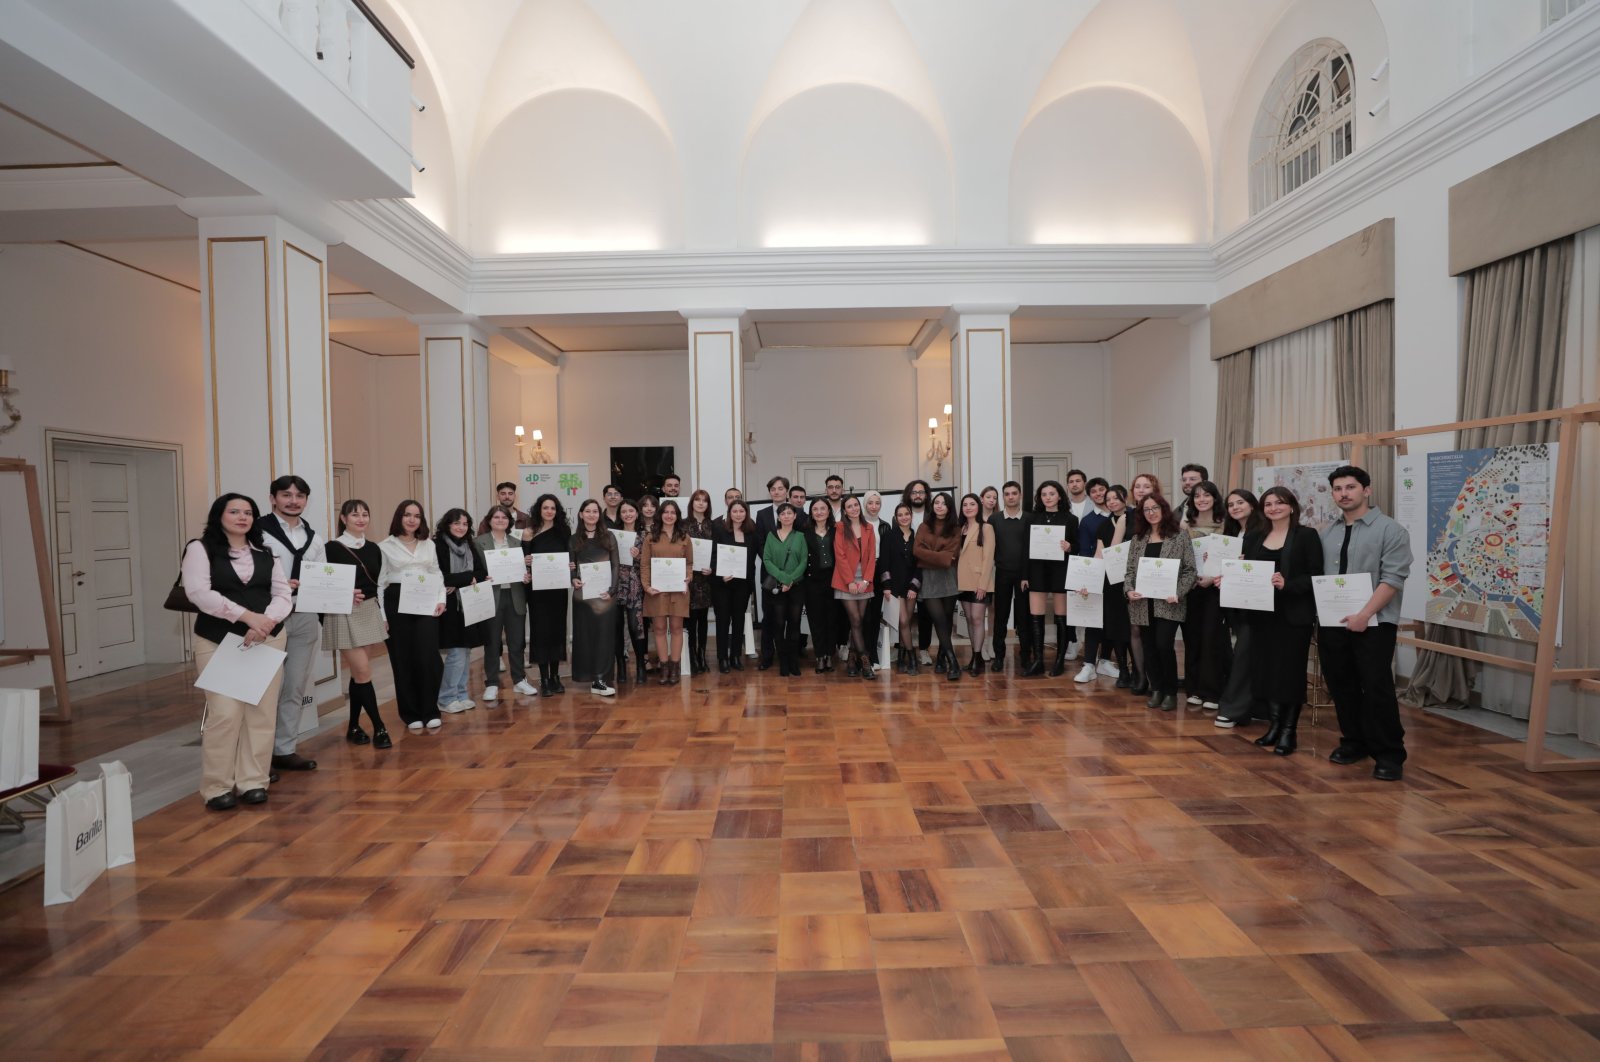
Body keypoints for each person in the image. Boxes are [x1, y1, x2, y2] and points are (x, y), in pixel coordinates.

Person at [183, 493, 291, 809]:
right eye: (234, 511)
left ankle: (253, 782)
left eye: (248, 512)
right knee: (224, 715)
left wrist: (266, 622)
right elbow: (199, 593)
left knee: (261, 714)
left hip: (267, 640)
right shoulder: (199, 549)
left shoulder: (266, 553)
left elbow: (283, 594)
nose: (242, 517)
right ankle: (217, 787)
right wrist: (247, 617)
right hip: (218, 642)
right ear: (220, 515)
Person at [1318, 465, 1413, 781]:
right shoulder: (1327, 532)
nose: (1344, 494)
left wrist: (1364, 615)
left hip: (1374, 624)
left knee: (1376, 688)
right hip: (1332, 622)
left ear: (1366, 490)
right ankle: (1353, 742)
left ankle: (1388, 754)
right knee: (1341, 685)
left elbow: (1393, 579)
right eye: (1338, 489)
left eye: (1350, 487)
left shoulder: (1390, 530)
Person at [1236, 486, 1323, 754]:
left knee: (1291, 674)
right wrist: (1235, 571)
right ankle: (1274, 726)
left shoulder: (1307, 536)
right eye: (1269, 504)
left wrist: (1288, 584)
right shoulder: (1253, 537)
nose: (1273, 508)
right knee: (1267, 672)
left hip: (1293, 617)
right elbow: (1245, 572)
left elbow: (1315, 576)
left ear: (1292, 506)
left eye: (1280, 503)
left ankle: (1289, 731)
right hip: (1261, 615)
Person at [256, 475, 326, 777]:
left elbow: (323, 577)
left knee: (295, 685)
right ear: (273, 498)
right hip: (268, 617)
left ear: (306, 501)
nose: (293, 500)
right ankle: (257, 757)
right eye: (286, 495)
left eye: (299, 496)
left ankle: (284, 749)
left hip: (305, 616)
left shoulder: (314, 538)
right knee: (262, 688)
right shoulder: (257, 532)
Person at [324, 499, 391, 749]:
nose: (361, 519)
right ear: (343, 519)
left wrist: (383, 616)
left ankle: (353, 726)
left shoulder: (374, 548)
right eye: (354, 515)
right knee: (364, 672)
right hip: (343, 614)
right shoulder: (330, 548)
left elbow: (381, 585)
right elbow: (322, 584)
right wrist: (343, 593)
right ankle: (380, 727)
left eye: (365, 514)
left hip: (370, 611)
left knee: (358, 674)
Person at [1125, 493, 1197, 711]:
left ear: (1163, 509)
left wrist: (1179, 592)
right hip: (1142, 602)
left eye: (1155, 508)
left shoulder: (1179, 536)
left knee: (1164, 645)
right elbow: (1129, 572)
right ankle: (1156, 688)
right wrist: (1129, 590)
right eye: (1146, 509)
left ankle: (1170, 692)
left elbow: (1190, 570)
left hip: (1169, 601)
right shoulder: (1138, 539)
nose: (1151, 513)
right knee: (1149, 647)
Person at [379, 499, 446, 733]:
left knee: (428, 658)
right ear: (399, 517)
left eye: (416, 516)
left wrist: (441, 599)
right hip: (396, 602)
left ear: (421, 520)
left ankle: (430, 710)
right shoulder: (385, 545)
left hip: (426, 600)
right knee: (403, 658)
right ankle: (410, 713)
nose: (411, 520)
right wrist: (382, 615)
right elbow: (380, 583)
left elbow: (436, 572)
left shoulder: (428, 544)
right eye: (407, 515)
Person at [1213, 489, 1269, 729]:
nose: (1235, 507)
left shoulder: (1263, 531)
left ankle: (1232, 708)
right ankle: (1256, 708)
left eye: (1240, 502)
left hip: (1257, 602)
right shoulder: (1232, 532)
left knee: (1244, 655)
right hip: (1236, 601)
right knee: (1249, 655)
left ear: (1252, 504)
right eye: (1231, 504)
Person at [475, 504, 535, 702]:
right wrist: (483, 577)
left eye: (504, 518)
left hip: (515, 595)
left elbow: (523, 570)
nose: (500, 520)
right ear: (489, 520)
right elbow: (475, 571)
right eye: (497, 517)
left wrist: (526, 577)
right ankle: (492, 683)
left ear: (509, 522)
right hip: (492, 597)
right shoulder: (479, 543)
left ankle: (519, 680)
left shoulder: (516, 542)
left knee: (516, 642)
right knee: (492, 642)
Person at [1182, 480, 1232, 710]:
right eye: (1197, 496)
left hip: (1216, 587)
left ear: (1215, 498)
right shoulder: (1185, 525)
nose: (1201, 500)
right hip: (1191, 588)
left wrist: (1213, 578)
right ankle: (1193, 688)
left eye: (1206, 495)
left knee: (1212, 638)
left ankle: (1212, 691)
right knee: (1192, 638)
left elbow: (1233, 555)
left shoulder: (1226, 523)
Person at [434, 508, 488, 714]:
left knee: (466, 651)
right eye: (457, 523)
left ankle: (461, 693)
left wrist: (462, 580)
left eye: (465, 524)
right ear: (447, 524)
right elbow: (440, 577)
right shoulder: (437, 545)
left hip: (468, 605)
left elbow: (482, 572)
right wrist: (467, 578)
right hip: (448, 606)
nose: (461, 527)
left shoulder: (469, 545)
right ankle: (446, 698)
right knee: (456, 652)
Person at [1076, 485, 1132, 685]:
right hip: (1108, 580)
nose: (1111, 502)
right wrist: (1088, 579)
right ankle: (1092, 665)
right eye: (1109, 499)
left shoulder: (1136, 519)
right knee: (1099, 620)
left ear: (1125, 498)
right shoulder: (1104, 525)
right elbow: (1099, 555)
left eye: (1116, 498)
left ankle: (1125, 668)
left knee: (1122, 625)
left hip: (1131, 581)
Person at [1023, 480, 1078, 676]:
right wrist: (1024, 575)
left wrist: (1069, 547)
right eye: (1044, 494)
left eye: (1051, 493)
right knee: (1036, 616)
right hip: (1037, 570)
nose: (1047, 497)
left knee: (1061, 616)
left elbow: (1077, 547)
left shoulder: (1070, 519)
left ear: (1060, 496)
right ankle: (1038, 661)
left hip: (1060, 570)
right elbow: (1025, 549)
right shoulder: (1032, 518)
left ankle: (1059, 661)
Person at [570, 498, 621, 696]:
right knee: (586, 637)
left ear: (599, 515)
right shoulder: (574, 539)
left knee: (604, 637)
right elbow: (571, 566)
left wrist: (612, 589)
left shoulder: (609, 537)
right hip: (583, 597)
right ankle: (590, 678)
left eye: (595, 511)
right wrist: (573, 579)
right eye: (588, 511)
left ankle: (601, 678)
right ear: (581, 514)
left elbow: (616, 565)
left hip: (605, 596)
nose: (592, 514)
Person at [524, 494, 572, 695]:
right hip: (537, 592)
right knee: (541, 632)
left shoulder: (564, 531)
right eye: (546, 508)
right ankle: (544, 679)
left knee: (557, 631)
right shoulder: (528, 532)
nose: (549, 511)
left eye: (553, 508)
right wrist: (525, 562)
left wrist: (571, 565)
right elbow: (523, 561)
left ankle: (555, 676)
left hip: (558, 590)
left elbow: (570, 556)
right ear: (539, 510)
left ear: (557, 511)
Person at [643, 498, 693, 684]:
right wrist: (647, 586)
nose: (669, 515)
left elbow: (689, 563)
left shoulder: (684, 538)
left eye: (673, 512)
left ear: (677, 516)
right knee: (659, 628)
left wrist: (688, 577)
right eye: (666, 512)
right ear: (660, 514)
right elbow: (645, 565)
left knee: (677, 628)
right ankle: (663, 668)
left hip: (678, 590)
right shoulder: (651, 537)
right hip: (656, 591)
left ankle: (674, 668)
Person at [914, 492, 962, 681]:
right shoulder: (924, 526)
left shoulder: (956, 528)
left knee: (947, 619)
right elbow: (917, 551)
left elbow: (953, 555)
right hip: (929, 580)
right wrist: (941, 557)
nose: (939, 506)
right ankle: (953, 661)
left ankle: (941, 658)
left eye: (943, 503)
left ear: (949, 507)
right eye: (936, 503)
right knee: (939, 620)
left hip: (949, 578)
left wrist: (929, 555)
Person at [833, 494, 878, 679]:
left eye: (856, 505)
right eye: (849, 506)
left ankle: (852, 658)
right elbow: (840, 555)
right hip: (846, 581)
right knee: (856, 620)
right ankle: (865, 661)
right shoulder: (841, 527)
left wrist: (866, 580)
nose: (854, 508)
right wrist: (850, 581)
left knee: (858, 621)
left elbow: (872, 556)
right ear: (844, 510)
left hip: (865, 582)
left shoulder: (869, 527)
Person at [761, 502, 808, 676]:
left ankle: (793, 662)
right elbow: (766, 561)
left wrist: (791, 581)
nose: (786, 516)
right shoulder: (771, 536)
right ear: (778, 517)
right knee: (779, 624)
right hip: (778, 587)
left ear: (795, 516)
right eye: (783, 513)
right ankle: (783, 663)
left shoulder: (801, 537)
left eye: (790, 513)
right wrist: (784, 579)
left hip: (796, 587)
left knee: (794, 624)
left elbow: (803, 561)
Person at [990, 481, 1031, 671]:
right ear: (1003, 497)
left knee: (1024, 617)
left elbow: (1032, 550)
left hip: (1024, 576)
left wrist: (1026, 575)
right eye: (1007, 494)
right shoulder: (994, 519)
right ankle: (998, 656)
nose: (1011, 497)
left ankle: (1025, 657)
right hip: (1002, 574)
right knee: (1000, 616)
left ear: (1020, 495)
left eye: (1014, 493)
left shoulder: (1030, 519)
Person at [712, 498, 757, 672]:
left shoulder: (752, 532)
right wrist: (720, 574)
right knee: (723, 621)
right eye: (735, 511)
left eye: (741, 511)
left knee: (739, 621)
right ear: (729, 513)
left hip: (743, 584)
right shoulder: (720, 530)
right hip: (723, 583)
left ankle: (736, 656)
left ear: (746, 513)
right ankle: (722, 658)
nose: (738, 514)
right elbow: (713, 555)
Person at [879, 502, 922, 674]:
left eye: (907, 514)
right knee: (903, 621)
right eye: (900, 515)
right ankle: (912, 659)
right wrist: (886, 586)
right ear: (896, 518)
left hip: (911, 586)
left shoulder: (917, 537)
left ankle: (903, 656)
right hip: (895, 587)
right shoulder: (888, 536)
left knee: (907, 623)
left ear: (911, 516)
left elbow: (920, 565)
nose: (904, 517)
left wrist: (914, 586)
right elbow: (884, 563)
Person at [754, 475, 792, 669]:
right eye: (773, 489)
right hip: (769, 574)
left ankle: (789, 656)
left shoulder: (797, 513)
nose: (777, 492)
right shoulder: (761, 515)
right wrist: (775, 568)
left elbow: (799, 544)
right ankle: (767, 656)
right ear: (769, 492)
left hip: (791, 576)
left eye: (780, 488)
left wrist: (787, 571)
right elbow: (760, 544)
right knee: (768, 616)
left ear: (787, 491)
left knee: (789, 616)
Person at [955, 492, 995, 676]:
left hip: (980, 582)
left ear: (978, 507)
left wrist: (983, 585)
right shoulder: (959, 528)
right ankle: (974, 656)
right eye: (965, 505)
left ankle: (978, 659)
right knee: (970, 619)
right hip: (963, 582)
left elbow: (988, 559)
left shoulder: (986, 528)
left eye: (972, 504)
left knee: (978, 619)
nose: (968, 507)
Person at [614, 499, 649, 684]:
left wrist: (639, 556)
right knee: (617, 628)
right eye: (624, 511)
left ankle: (641, 666)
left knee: (637, 627)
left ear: (637, 513)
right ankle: (620, 666)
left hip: (636, 586)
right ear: (620, 515)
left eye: (631, 510)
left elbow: (651, 562)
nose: (627, 514)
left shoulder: (646, 536)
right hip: (615, 585)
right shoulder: (612, 535)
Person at [683, 489, 716, 675]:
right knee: (690, 619)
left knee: (703, 619)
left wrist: (712, 567)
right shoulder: (682, 525)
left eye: (704, 500)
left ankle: (702, 655)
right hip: (689, 579)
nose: (701, 503)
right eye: (697, 500)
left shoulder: (714, 525)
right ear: (692, 503)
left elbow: (716, 551)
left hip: (706, 579)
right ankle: (692, 658)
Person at [803, 498, 838, 673]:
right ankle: (819, 656)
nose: (819, 512)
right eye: (815, 509)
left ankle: (830, 655)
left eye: (822, 508)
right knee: (816, 620)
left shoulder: (837, 530)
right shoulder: (804, 532)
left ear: (829, 511)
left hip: (833, 580)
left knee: (831, 619)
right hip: (812, 581)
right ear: (811, 512)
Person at [860, 491, 891, 671]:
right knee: (862, 617)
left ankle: (873, 654)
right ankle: (861, 655)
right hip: (861, 572)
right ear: (865, 504)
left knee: (874, 616)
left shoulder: (885, 526)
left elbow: (886, 557)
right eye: (870, 503)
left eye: (877, 503)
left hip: (878, 572)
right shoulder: (858, 524)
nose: (873, 506)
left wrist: (886, 583)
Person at [902, 479, 932, 663]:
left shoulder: (933, 516)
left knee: (925, 613)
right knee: (903, 615)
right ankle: (904, 648)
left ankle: (923, 649)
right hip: (905, 572)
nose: (918, 495)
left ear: (926, 495)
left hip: (928, 571)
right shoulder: (902, 514)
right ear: (909, 495)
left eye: (921, 492)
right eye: (914, 492)